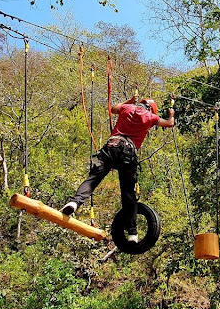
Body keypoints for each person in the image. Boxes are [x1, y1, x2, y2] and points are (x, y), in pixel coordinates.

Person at [61, 96, 175, 242]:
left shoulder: (127, 108)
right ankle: (132, 234)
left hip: (111, 147)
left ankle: (74, 203)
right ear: (151, 109)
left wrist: (130, 101)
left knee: (93, 178)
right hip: (128, 153)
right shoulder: (151, 117)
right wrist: (171, 113)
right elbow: (169, 123)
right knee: (128, 193)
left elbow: (113, 109)